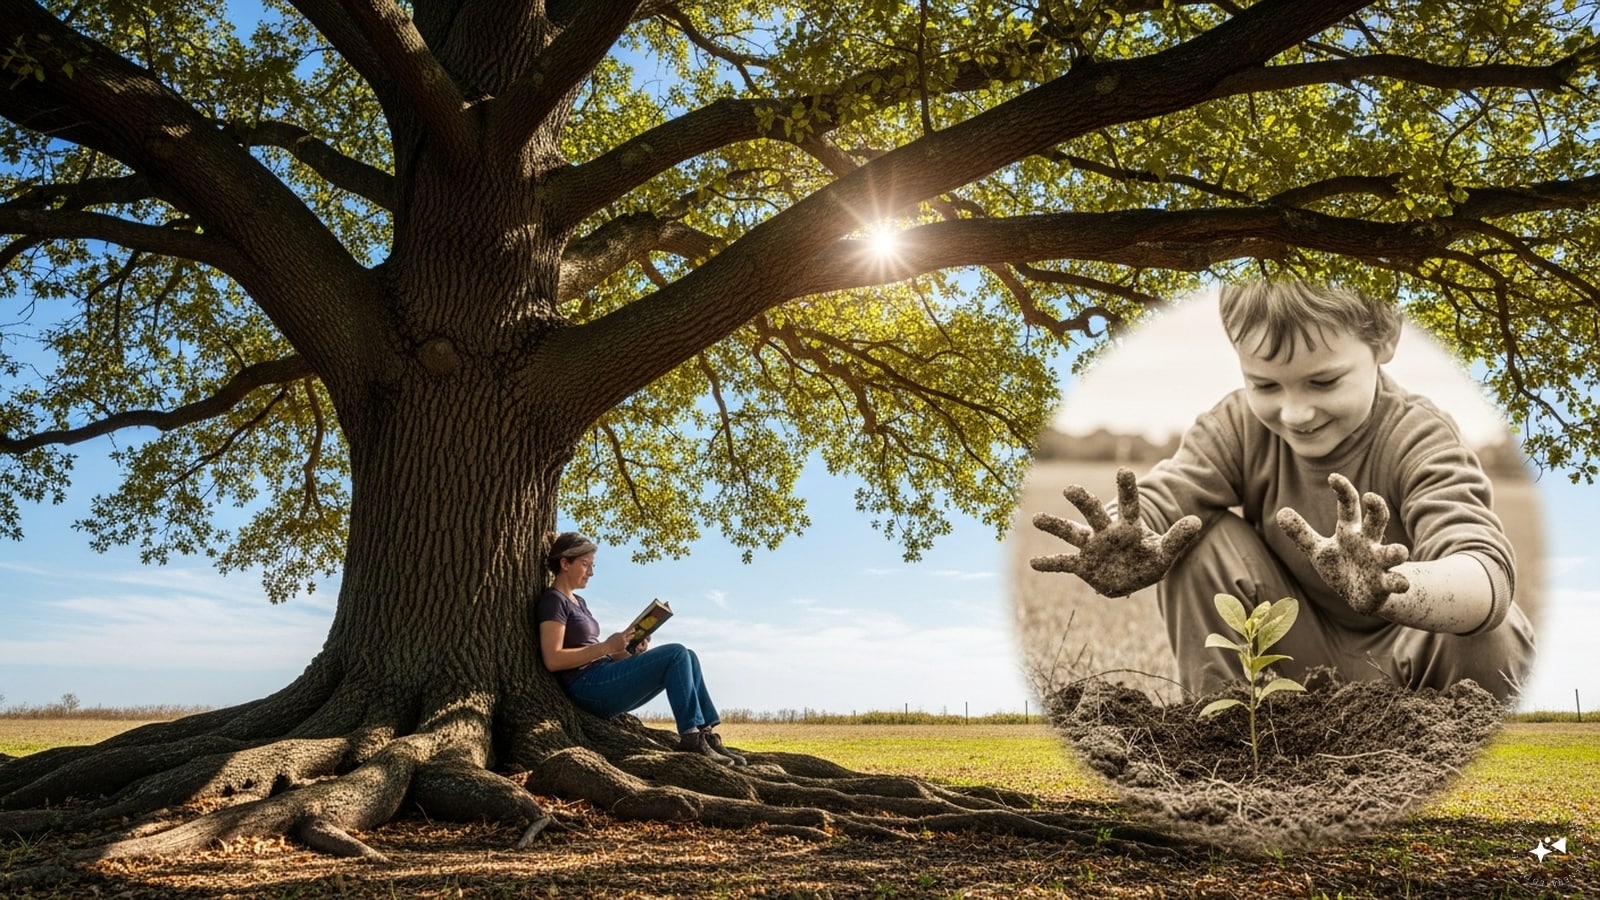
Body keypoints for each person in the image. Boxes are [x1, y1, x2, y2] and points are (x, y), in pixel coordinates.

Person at [1031, 279, 1536, 702]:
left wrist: (1393, 590)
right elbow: (1171, 494)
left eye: (1324, 382)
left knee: (1496, 630)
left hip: (1418, 666)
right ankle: (1226, 736)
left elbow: (1484, 572)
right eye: (1266, 386)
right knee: (1194, 538)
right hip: (1291, 657)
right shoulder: (1237, 425)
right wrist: (1135, 535)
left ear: (1383, 340)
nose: (1294, 413)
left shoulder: (1417, 436)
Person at [534, 531, 746, 764]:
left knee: (688, 656)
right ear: (565, 563)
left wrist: (629, 652)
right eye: (586, 565)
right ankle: (690, 739)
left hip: (603, 674)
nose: (591, 573)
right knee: (675, 652)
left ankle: (707, 736)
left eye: (592, 565)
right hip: (587, 686)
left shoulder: (579, 602)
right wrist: (605, 646)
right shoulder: (554, 600)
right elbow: (553, 659)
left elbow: (600, 652)